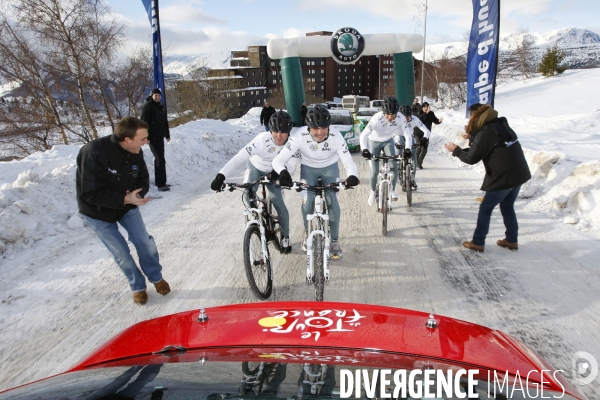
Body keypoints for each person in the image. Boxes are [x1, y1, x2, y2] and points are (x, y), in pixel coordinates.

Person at [76, 116, 170, 305]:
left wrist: (138, 193)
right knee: (121, 252)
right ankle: (138, 286)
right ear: (127, 139)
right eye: (143, 138)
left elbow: (142, 177)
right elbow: (89, 192)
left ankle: (156, 277)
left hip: (127, 207)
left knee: (144, 241)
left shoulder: (136, 151)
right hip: (98, 213)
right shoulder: (94, 152)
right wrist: (124, 198)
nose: (147, 142)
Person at [272, 104, 359, 258]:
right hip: (309, 169)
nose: (320, 132)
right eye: (315, 128)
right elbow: (278, 160)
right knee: (307, 202)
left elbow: (348, 161)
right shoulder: (299, 136)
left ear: (329, 126)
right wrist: (283, 172)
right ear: (308, 127)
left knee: (332, 201)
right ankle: (308, 232)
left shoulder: (336, 136)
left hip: (330, 169)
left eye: (323, 128)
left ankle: (334, 240)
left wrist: (352, 175)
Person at [444, 103, 531, 252]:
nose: (469, 119)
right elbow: (488, 146)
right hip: (519, 173)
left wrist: (456, 150)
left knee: (485, 208)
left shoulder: (485, 132)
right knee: (507, 206)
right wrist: (473, 137)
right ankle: (511, 240)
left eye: (470, 116)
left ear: (475, 116)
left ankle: (478, 242)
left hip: (504, 177)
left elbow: (471, 158)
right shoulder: (499, 123)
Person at [210, 111, 299, 253]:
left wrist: (280, 173)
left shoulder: (293, 143)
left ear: (289, 132)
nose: (279, 135)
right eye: (275, 131)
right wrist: (221, 176)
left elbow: (292, 167)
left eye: (283, 132)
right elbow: (238, 158)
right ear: (270, 130)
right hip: (255, 167)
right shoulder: (261, 140)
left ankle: (285, 236)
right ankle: (257, 221)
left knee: (278, 203)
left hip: (276, 172)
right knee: (247, 193)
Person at [359, 96, 405, 206]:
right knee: (374, 171)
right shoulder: (376, 118)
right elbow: (363, 135)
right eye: (387, 114)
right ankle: (372, 191)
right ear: (383, 112)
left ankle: (392, 190)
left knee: (393, 165)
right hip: (374, 142)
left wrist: (407, 149)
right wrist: (365, 150)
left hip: (388, 141)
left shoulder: (400, 117)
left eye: (393, 115)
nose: (390, 117)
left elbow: (407, 133)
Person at [140, 88, 171, 192]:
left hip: (160, 136)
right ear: (152, 96)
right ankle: (160, 184)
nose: (157, 97)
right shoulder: (148, 106)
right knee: (159, 159)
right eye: (155, 95)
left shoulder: (161, 107)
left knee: (161, 159)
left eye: (158, 95)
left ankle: (162, 182)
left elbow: (164, 122)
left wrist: (167, 134)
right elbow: (143, 123)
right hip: (152, 137)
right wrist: (145, 137)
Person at [396, 104, 430, 191]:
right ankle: (397, 168)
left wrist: (424, 139)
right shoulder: (397, 119)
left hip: (410, 137)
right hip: (399, 136)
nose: (406, 119)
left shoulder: (414, 119)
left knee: (414, 158)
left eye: (408, 117)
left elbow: (426, 130)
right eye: (404, 117)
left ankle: (412, 179)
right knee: (398, 150)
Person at [416, 102, 444, 169]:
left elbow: (435, 121)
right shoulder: (419, 113)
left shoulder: (431, 113)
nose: (426, 108)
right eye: (424, 107)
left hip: (426, 134)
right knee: (419, 148)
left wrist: (439, 121)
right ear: (422, 108)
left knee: (424, 150)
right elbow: (418, 119)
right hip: (418, 134)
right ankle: (414, 162)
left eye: (427, 107)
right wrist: (425, 113)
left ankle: (419, 163)